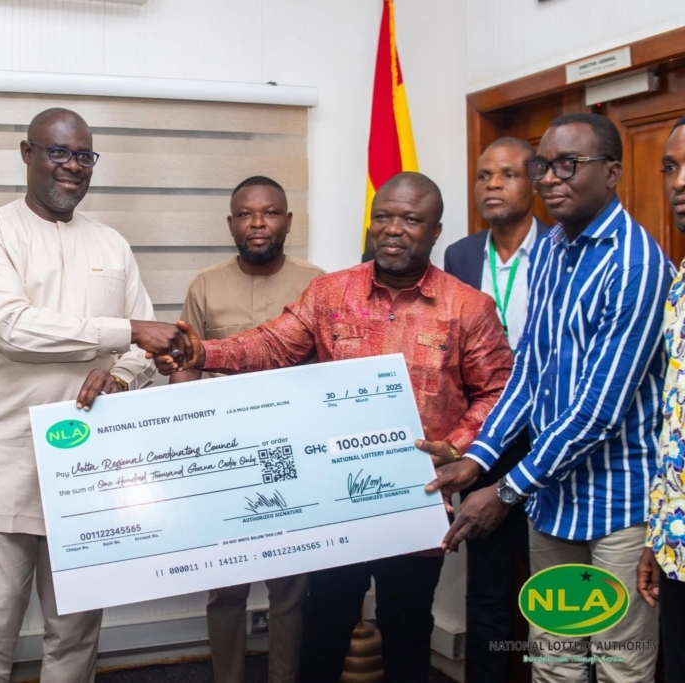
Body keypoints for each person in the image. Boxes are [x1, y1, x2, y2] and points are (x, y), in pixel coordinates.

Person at [160, 172, 513, 683]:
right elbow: (271, 345)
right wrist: (205, 353)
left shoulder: (469, 307)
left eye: (411, 220)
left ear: (436, 231)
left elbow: (498, 393)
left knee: (407, 630)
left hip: (415, 499)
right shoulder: (330, 293)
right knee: (323, 627)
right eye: (383, 216)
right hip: (336, 500)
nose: (393, 229)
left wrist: (458, 448)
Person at [432, 113, 671, 683]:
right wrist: (479, 457)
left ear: (612, 172)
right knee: (555, 663)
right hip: (553, 501)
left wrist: (505, 490)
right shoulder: (551, 251)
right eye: (545, 165)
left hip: (618, 510)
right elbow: (528, 376)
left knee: (618, 669)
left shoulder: (636, 265)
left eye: (570, 164)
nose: (550, 178)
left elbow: (598, 412)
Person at [0, 107, 181, 683]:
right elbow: (13, 329)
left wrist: (121, 375)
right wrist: (125, 332)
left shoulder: (111, 243)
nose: (72, 166)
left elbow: (143, 347)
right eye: (57, 152)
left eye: (83, 156)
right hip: (5, 465)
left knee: (76, 635)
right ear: (26, 153)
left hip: (88, 467)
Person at [170, 175, 323, 683]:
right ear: (231, 223)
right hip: (224, 455)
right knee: (226, 587)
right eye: (246, 214)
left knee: (290, 587)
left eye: (270, 213)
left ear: (288, 221)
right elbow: (184, 368)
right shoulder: (205, 285)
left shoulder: (318, 285)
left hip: (290, 453)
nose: (258, 224)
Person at [443, 137, 543, 683]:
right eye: (484, 175)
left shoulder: (561, 250)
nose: (493, 185)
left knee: (550, 577)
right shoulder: (460, 255)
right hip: (484, 438)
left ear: (536, 183)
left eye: (508, 174)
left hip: (550, 438)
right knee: (487, 581)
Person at [638, 114, 685, 683]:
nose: (679, 181)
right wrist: (661, 534)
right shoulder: (679, 282)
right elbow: (672, 421)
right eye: (671, 167)